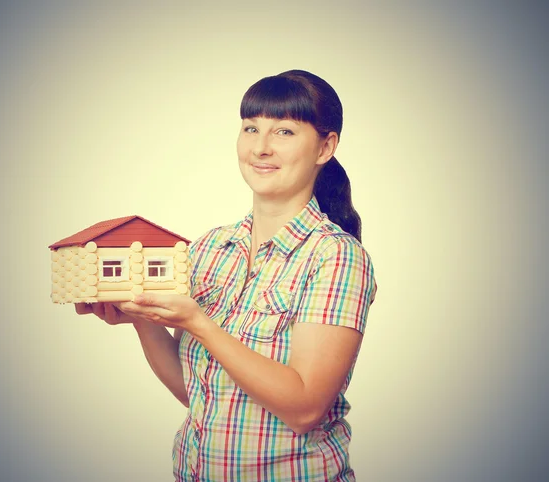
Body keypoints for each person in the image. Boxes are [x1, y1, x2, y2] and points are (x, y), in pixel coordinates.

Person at [75, 69, 377, 482]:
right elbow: (196, 392)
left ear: (325, 147)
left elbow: (305, 408)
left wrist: (198, 323)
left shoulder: (336, 257)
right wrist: (144, 319)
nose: (261, 148)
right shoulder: (210, 249)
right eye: (251, 128)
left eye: (284, 132)